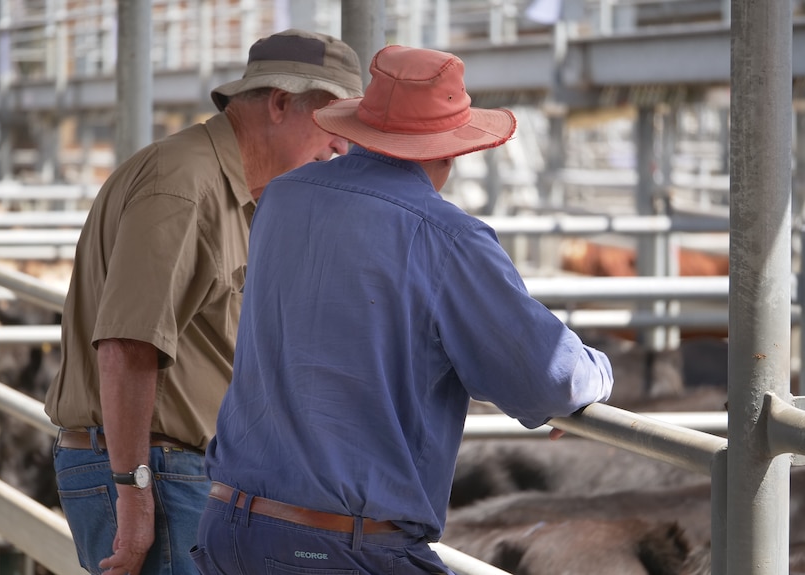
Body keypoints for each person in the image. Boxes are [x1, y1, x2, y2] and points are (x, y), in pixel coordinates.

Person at [192, 45, 614, 575]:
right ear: (450, 150)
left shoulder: (281, 198)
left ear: (361, 127)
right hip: (340, 548)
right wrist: (600, 372)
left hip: (230, 526)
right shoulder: (448, 237)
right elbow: (546, 376)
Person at [43, 28, 362, 575]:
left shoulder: (232, 188)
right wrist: (135, 492)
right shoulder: (186, 184)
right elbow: (126, 344)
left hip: (175, 469)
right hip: (158, 470)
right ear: (281, 103)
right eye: (333, 121)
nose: (342, 145)